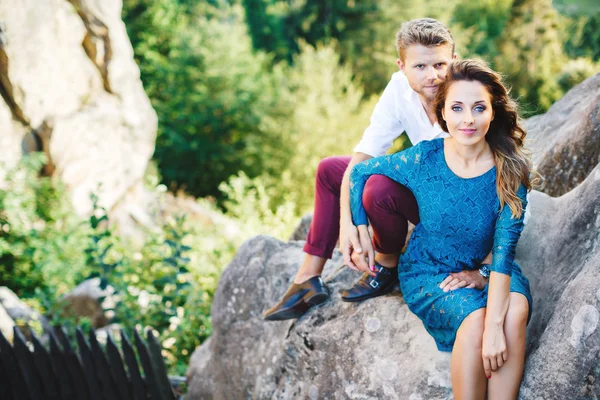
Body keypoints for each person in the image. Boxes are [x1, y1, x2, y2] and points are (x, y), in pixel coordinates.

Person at [264, 18, 489, 321]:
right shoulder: (399, 89)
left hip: (457, 213)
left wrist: (484, 268)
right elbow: (363, 157)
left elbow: (509, 186)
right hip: (425, 184)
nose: (432, 76)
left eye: (439, 65)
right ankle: (307, 278)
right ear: (402, 66)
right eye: (420, 67)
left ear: (454, 60)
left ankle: (386, 264)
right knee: (332, 169)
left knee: (378, 188)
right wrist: (349, 222)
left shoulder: (471, 99)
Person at [349, 59, 534, 399]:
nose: (468, 119)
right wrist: (356, 227)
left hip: (487, 266)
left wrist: (484, 278)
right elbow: (361, 173)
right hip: (431, 270)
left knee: (515, 310)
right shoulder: (424, 158)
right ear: (442, 114)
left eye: (479, 108)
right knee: (476, 319)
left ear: (492, 112)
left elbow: (505, 250)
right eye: (457, 108)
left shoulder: (509, 169)